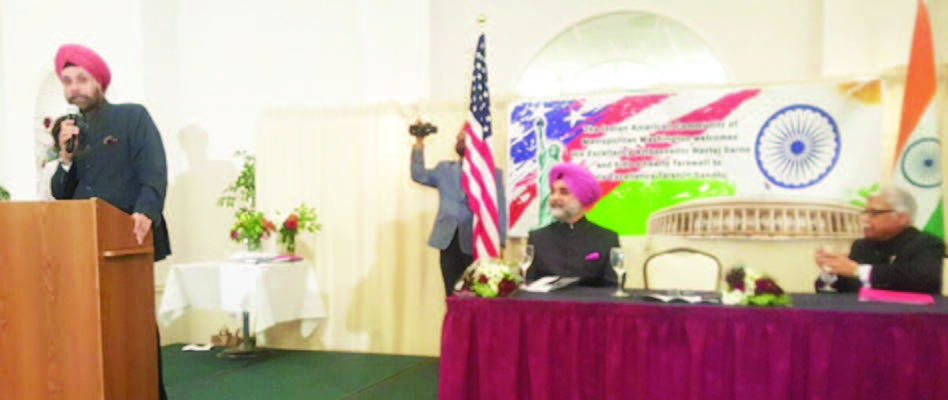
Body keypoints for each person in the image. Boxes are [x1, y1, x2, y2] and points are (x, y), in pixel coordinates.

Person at [49, 43, 170, 400]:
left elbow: (154, 172)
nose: (74, 88)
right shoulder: (70, 130)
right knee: (87, 329)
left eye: (81, 79)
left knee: (133, 328)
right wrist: (65, 157)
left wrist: (146, 211)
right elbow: (61, 192)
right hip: (82, 245)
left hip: (127, 241)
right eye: (67, 81)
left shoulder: (133, 117)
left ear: (99, 81)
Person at [411, 124, 507, 296]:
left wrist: (500, 243)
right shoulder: (444, 169)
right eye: (458, 138)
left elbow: (498, 208)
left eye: (464, 138)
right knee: (452, 293)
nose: (459, 141)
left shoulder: (491, 173)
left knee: (478, 293)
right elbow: (418, 174)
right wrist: (419, 142)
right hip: (447, 241)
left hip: (477, 241)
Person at [815, 187, 944, 294]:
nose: (865, 220)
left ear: (902, 218)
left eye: (874, 213)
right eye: (865, 213)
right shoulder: (861, 246)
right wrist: (830, 271)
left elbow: (923, 279)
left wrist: (858, 270)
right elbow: (829, 291)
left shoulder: (927, 244)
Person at [527, 162, 619, 287]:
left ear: (581, 197)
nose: (555, 198)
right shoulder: (537, 238)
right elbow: (528, 286)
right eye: (553, 192)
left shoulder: (607, 238)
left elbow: (613, 288)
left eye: (563, 192)